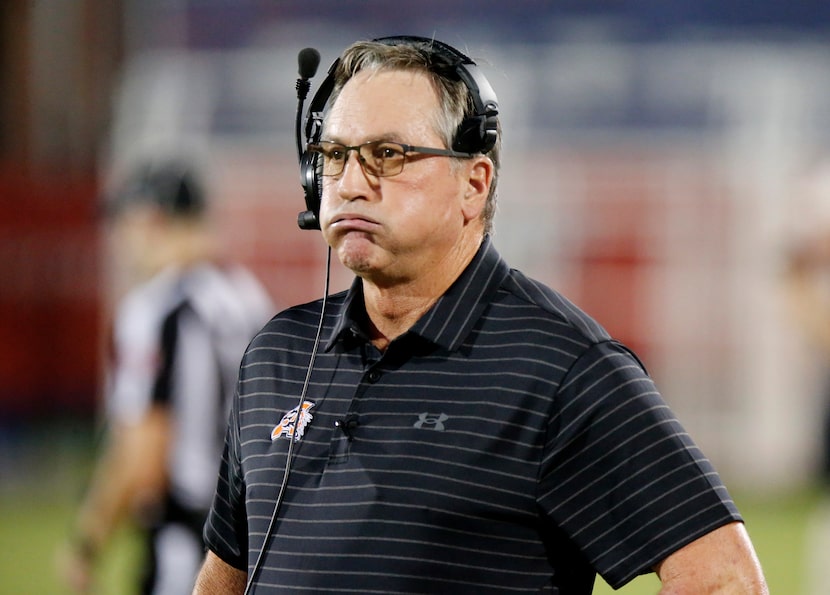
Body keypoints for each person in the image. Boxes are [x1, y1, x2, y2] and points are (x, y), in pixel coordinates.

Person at [192, 36, 768, 594]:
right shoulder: (277, 352)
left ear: (474, 184)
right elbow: (226, 573)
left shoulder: (560, 366)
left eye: (387, 155)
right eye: (336, 155)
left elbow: (723, 580)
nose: (350, 183)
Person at [58, 160, 274, 594]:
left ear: (150, 219)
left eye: (123, 222)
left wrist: (89, 540)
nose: (119, 238)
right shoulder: (249, 295)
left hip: (188, 542)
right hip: (257, 538)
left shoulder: (154, 309)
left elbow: (145, 454)